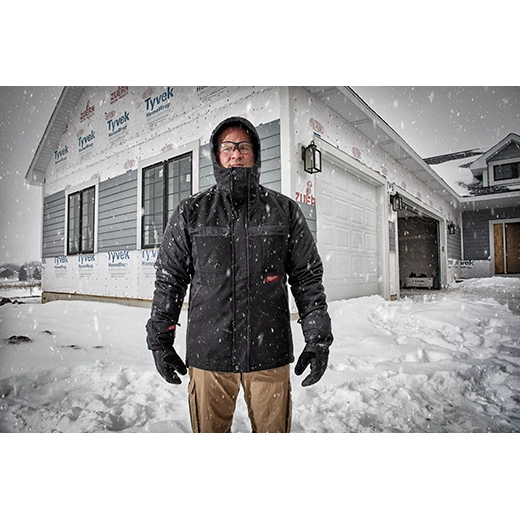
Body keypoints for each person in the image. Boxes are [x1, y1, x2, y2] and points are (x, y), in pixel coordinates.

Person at [146, 116, 333, 433]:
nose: (236, 154)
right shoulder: (191, 212)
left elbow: (307, 278)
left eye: (244, 147)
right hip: (210, 356)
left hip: (269, 355)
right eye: (228, 147)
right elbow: (170, 280)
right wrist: (160, 340)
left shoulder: (284, 211)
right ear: (217, 155)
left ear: (255, 154)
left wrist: (317, 338)